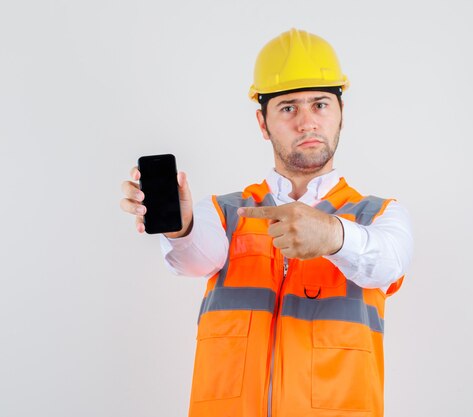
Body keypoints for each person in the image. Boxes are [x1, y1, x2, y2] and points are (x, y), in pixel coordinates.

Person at [120, 28, 413, 417]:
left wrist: (333, 236)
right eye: (288, 107)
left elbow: (389, 261)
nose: (307, 122)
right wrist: (182, 226)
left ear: (342, 114)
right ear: (263, 123)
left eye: (321, 105)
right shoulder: (224, 213)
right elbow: (194, 257)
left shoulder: (378, 216)